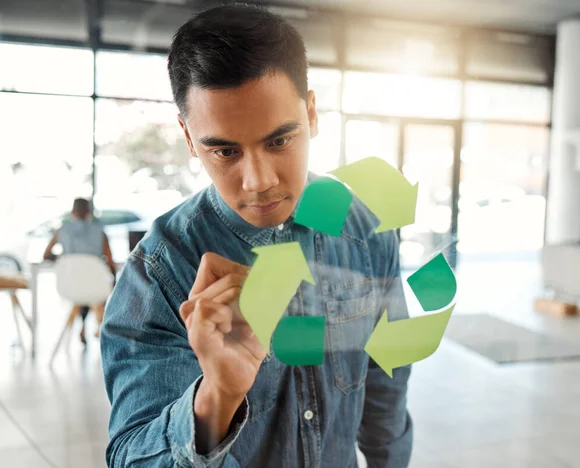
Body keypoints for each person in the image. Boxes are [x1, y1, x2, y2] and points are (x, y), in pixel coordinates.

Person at [101, 5, 412, 467]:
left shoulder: (364, 229)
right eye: (225, 150)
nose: (257, 181)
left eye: (279, 141)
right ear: (189, 139)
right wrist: (217, 399)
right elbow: (131, 457)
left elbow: (387, 380)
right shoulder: (160, 271)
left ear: (311, 113)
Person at [43, 198, 116, 344]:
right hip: (96, 287)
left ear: (72, 211)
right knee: (96, 288)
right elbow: (110, 261)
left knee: (81, 289)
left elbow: (46, 255)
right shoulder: (100, 232)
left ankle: (83, 326)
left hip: (70, 286)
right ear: (89, 212)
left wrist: (64, 258)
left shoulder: (62, 230)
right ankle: (99, 323)